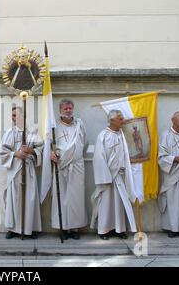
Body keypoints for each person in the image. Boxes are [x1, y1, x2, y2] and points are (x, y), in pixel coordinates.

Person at [42, 99, 88, 240]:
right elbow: (48, 145)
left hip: (77, 165)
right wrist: (51, 154)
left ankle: (74, 228)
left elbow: (84, 144)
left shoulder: (80, 125)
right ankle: (63, 227)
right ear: (60, 110)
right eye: (65, 108)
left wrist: (75, 155)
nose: (68, 110)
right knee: (61, 197)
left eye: (70, 108)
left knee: (76, 198)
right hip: (60, 166)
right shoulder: (54, 127)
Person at [90, 110, 137, 240]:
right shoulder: (103, 135)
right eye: (120, 118)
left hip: (119, 176)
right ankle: (104, 230)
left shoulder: (122, 135)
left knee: (119, 203)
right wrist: (106, 177)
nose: (123, 120)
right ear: (111, 120)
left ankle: (119, 229)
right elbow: (99, 157)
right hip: (107, 177)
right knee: (106, 204)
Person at [0, 107, 43, 239]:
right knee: (14, 199)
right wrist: (16, 154)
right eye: (12, 116)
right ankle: (12, 229)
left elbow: (41, 148)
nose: (13, 118)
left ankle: (30, 228)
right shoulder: (9, 133)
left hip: (28, 169)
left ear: (23, 116)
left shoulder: (32, 132)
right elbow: (2, 151)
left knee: (30, 198)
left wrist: (30, 151)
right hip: (15, 170)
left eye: (15, 115)